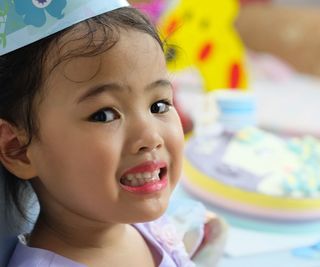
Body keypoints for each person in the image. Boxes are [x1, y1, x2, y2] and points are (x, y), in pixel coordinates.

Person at [0, 1, 206, 266]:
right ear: (18, 148)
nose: (151, 137)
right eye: (104, 115)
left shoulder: (143, 225)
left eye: (159, 105)